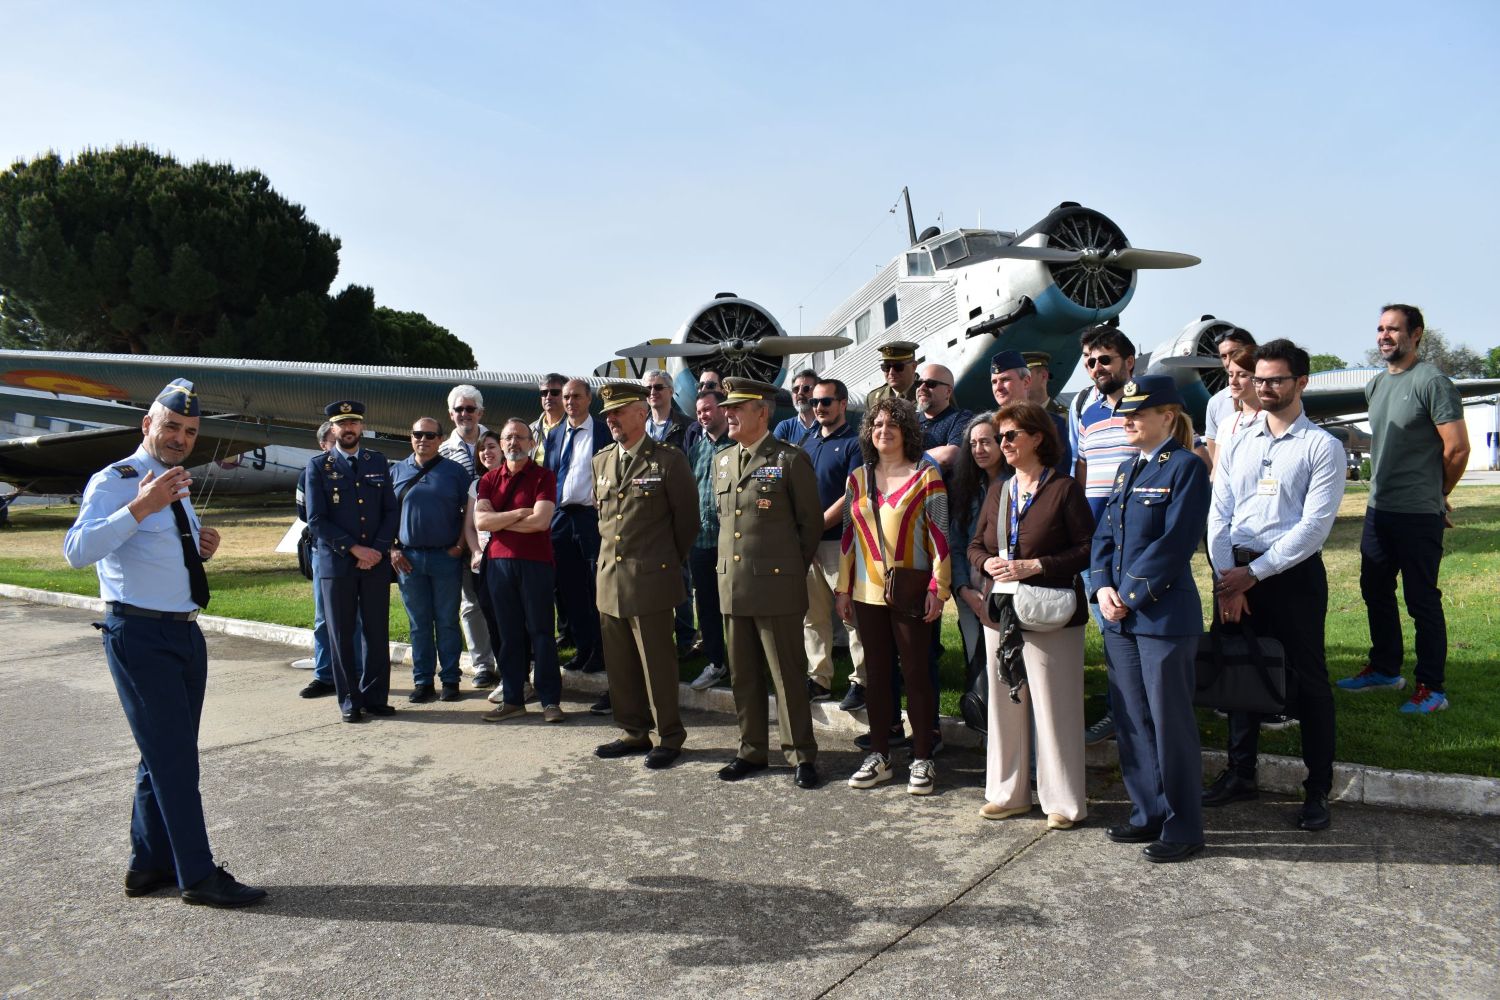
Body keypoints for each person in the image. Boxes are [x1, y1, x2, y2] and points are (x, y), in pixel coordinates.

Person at [63, 378, 266, 907]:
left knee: (162, 755)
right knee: (176, 761)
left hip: (182, 632)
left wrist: (201, 548)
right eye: (171, 426)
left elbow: (159, 555)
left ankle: (147, 866)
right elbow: (77, 550)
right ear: (147, 424)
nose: (180, 437)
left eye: (190, 431)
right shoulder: (119, 480)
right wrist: (140, 508)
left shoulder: (174, 481)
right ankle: (197, 876)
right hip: (141, 635)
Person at [1207, 339, 1346, 831]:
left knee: (1309, 683)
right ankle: (1240, 773)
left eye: (1275, 380)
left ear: (1301, 383)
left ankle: (1317, 789)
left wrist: (1255, 574)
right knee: (1237, 672)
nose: (1263, 387)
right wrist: (1229, 579)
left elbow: (1313, 528)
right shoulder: (1239, 439)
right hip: (1234, 575)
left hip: (1291, 578)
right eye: (1259, 379)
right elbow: (1219, 511)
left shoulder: (1322, 447)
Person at [1089, 375, 1211, 864]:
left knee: (1169, 722)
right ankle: (1148, 813)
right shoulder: (1126, 468)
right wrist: (1102, 587)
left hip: (1162, 617)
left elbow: (1176, 542)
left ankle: (1184, 826)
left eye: (1139, 413)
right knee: (1132, 721)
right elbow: (1104, 535)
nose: (1128, 420)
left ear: (1168, 416)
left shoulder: (1185, 468)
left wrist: (1129, 596)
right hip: (1120, 617)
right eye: (1125, 413)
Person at [1339, 304, 1470, 712]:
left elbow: (1458, 448)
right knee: (1375, 591)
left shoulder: (1433, 382)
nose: (1384, 336)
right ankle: (1384, 669)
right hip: (1381, 510)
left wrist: (1438, 492)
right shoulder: (1376, 385)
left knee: (1421, 601)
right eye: (1380, 328)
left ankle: (1432, 688)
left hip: (1418, 513)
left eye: (1393, 329)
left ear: (1416, 335)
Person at [969, 402, 1094, 827]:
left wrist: (1036, 566)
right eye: (999, 436)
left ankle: (1063, 803)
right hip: (1001, 612)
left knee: (1054, 709)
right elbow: (975, 546)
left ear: (1037, 438)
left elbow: (1086, 548)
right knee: (1004, 707)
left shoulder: (1063, 489)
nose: (1002, 443)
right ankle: (1008, 793)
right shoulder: (999, 490)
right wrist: (987, 565)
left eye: (1010, 435)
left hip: (1049, 613)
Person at [835, 397, 951, 795]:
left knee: (917, 672)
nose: (884, 430)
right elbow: (849, 537)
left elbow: (940, 537)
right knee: (877, 677)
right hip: (866, 593)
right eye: (878, 424)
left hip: (912, 591)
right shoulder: (857, 479)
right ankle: (880, 755)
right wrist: (843, 588)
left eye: (893, 424)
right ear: (869, 431)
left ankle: (922, 758)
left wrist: (940, 587)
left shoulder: (926, 476)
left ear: (907, 432)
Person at [715, 377, 823, 790]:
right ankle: (751, 750)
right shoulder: (722, 460)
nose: (729, 413)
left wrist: (786, 567)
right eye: (727, 407)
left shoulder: (790, 459)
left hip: (776, 585)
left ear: (762, 412)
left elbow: (809, 524)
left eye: (737, 407)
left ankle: (800, 754)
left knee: (787, 675)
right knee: (743, 675)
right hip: (733, 583)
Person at [590, 383, 700, 768]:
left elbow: (687, 521)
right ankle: (633, 731)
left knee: (657, 663)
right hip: (609, 578)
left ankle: (669, 736)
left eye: (619, 412)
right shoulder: (601, 460)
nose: (611, 420)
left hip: (652, 577)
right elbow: (604, 520)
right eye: (607, 415)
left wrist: (663, 562)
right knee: (619, 664)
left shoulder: (668, 460)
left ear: (641, 413)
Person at [304, 400, 399, 724]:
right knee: (341, 634)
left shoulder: (377, 461)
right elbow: (316, 519)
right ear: (333, 429)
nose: (348, 428)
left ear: (361, 427)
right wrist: (355, 550)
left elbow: (390, 510)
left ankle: (375, 698)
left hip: (375, 562)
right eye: (342, 423)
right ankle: (349, 701)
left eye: (354, 423)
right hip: (338, 564)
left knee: (376, 632)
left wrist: (377, 549)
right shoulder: (318, 466)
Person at [1068, 326, 1140, 745]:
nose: (1096, 368)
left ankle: (1139, 714)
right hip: (1097, 544)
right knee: (1110, 631)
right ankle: (1120, 713)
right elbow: (1080, 467)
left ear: (1128, 362)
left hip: (1136, 541)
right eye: (1090, 361)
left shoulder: (1147, 403)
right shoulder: (1084, 408)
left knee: (1137, 631)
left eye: (1105, 360)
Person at [475, 419, 564, 723]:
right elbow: (481, 523)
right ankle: (513, 699)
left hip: (536, 563)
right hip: (499, 564)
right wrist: (517, 514)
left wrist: (500, 519)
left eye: (520, 438)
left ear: (531, 444)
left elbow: (541, 522)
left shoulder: (544, 477)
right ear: (500, 444)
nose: (514, 443)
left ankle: (550, 701)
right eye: (508, 438)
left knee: (541, 632)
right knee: (509, 634)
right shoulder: (488, 479)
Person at [391, 417, 472, 704]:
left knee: (447, 621)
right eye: (417, 434)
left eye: (429, 435)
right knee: (419, 623)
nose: (422, 440)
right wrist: (392, 548)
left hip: (444, 557)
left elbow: (469, 511)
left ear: (440, 440)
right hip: (408, 559)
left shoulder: (455, 472)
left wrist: (460, 545)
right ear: (410, 437)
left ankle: (450, 680)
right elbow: (385, 514)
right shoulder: (397, 470)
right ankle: (423, 681)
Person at [799, 378, 866, 706]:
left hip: (841, 542)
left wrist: (815, 526)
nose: (819, 408)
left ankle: (862, 682)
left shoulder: (855, 443)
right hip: (808, 543)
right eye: (815, 403)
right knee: (813, 616)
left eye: (826, 402)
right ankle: (819, 679)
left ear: (842, 404)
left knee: (850, 614)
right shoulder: (808, 441)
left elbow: (853, 492)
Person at [544, 378, 612, 689]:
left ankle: (602, 649)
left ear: (589, 399)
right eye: (566, 396)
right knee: (570, 588)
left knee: (596, 587)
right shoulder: (556, 433)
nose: (569, 402)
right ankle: (583, 646)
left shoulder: (602, 431)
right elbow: (550, 473)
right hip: (560, 517)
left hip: (591, 518)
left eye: (576, 397)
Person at [295, 420, 362, 697]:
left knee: (356, 615)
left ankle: (356, 673)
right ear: (323, 444)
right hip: (325, 552)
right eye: (331, 442)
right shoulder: (311, 472)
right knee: (324, 617)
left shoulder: (361, 467)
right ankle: (325, 675)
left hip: (359, 551)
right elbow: (305, 513)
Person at [439, 384, 498, 689]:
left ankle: (509, 657)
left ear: (480, 412)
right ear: (451, 414)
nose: (465, 414)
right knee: (470, 603)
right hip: (462, 540)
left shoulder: (495, 442)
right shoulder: (441, 450)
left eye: (470, 409)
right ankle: (483, 664)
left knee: (503, 601)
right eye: (459, 409)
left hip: (500, 536)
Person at [948, 413, 1002, 697]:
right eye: (973, 444)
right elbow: (955, 543)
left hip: (1004, 593)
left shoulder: (1016, 483)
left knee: (1006, 669)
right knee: (978, 666)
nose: (979, 449)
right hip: (970, 593)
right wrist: (963, 590)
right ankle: (988, 733)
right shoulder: (964, 487)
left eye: (985, 442)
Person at [687, 389, 736, 691]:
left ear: (722, 410)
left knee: (735, 607)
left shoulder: (736, 444)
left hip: (730, 541)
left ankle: (744, 663)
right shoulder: (697, 446)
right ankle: (717, 662)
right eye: (699, 411)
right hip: (701, 542)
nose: (703, 415)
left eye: (708, 409)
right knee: (707, 607)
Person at [462, 430, 516, 706]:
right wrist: (475, 551)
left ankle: (520, 676)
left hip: (511, 560)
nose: (487, 452)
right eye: (482, 449)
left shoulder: (516, 479)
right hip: (483, 563)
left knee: (516, 621)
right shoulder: (476, 485)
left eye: (492, 446)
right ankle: (505, 676)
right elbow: (471, 526)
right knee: (493, 621)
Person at [990, 349, 1071, 478]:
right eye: (994, 382)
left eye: (1005, 379)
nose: (998, 387)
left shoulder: (1051, 424)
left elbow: (1058, 476)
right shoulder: (988, 426)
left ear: (1027, 381)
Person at [1203, 327, 1258, 471]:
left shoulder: (1277, 401)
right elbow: (1216, 462)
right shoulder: (1215, 403)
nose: (1228, 362)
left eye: (1234, 353)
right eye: (1223, 356)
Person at [1210, 346, 1264, 472]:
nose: (1233, 381)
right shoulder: (1226, 424)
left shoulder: (1273, 421)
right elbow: (1216, 473)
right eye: (1230, 374)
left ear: (1259, 378)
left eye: (1242, 375)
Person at [642, 369, 692, 451]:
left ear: (671, 391)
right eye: (648, 388)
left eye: (658, 387)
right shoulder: (638, 425)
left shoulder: (688, 426)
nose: (652, 392)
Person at [864, 341, 919, 411]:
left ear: (913, 366)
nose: (891, 372)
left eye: (898, 367)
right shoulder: (873, 399)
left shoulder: (927, 392)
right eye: (886, 367)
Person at [773, 368, 821, 446]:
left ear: (818, 392)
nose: (800, 392)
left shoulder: (828, 424)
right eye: (796, 389)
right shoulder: (785, 427)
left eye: (806, 388)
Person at [1024, 351, 1068, 415]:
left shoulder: (1064, 419)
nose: (1020, 380)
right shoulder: (1009, 418)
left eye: (1025, 375)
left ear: (1044, 376)